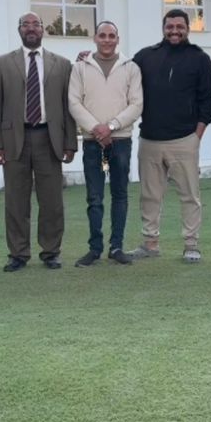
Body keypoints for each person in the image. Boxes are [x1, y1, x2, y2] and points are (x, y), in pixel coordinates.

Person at [0, 12, 77, 271]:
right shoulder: (2, 63)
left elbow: (68, 107)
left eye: (35, 24)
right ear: (19, 30)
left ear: (43, 29)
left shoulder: (62, 64)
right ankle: (18, 254)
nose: (31, 28)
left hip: (49, 137)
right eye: (25, 25)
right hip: (13, 139)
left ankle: (51, 252)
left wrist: (70, 142)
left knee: (52, 201)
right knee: (16, 201)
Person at [130, 8, 211, 263]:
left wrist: (196, 135)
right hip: (150, 139)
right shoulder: (145, 57)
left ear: (188, 29)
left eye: (180, 27)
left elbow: (207, 101)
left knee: (189, 196)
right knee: (149, 195)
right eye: (170, 27)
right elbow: (123, 77)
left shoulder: (200, 59)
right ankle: (150, 244)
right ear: (163, 28)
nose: (175, 31)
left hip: (184, 140)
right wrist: (87, 58)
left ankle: (191, 244)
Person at [67, 21, 144, 267]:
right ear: (95, 38)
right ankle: (95, 248)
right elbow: (74, 102)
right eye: (103, 35)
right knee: (95, 197)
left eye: (112, 36)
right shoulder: (80, 68)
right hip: (93, 144)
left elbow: (137, 104)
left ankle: (116, 247)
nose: (107, 40)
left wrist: (110, 127)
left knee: (120, 195)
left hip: (120, 142)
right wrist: (96, 129)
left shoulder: (131, 67)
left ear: (117, 39)